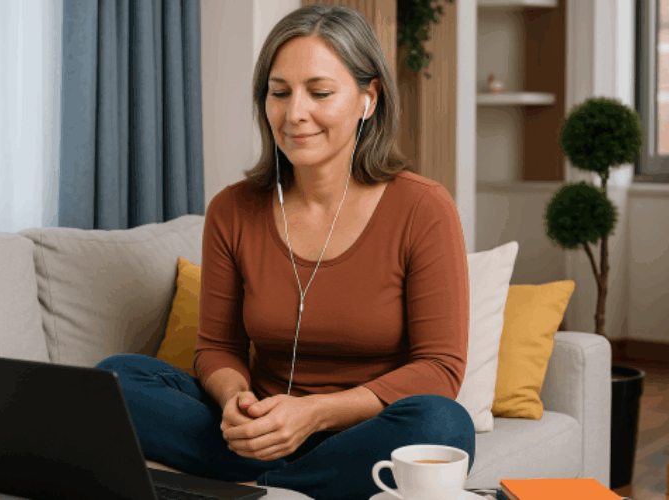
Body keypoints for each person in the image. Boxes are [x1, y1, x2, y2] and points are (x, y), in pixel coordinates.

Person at [95, 5, 475, 499]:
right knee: (118, 377)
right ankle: (287, 482)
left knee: (443, 424)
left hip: (365, 432)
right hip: (256, 430)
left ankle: (260, 488)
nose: (294, 113)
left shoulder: (423, 207)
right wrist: (237, 402)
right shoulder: (233, 209)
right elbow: (217, 349)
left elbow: (440, 367)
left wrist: (314, 413)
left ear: (368, 98)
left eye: (319, 93)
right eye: (279, 93)